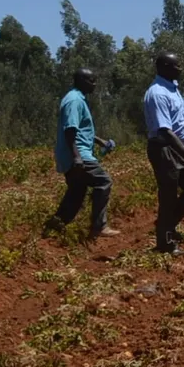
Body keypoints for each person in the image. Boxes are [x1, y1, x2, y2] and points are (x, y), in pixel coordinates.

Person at [142, 52, 184, 253]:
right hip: (164, 148)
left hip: (177, 147)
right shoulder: (157, 93)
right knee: (168, 196)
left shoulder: (172, 89)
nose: (180, 69)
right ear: (163, 67)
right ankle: (165, 244)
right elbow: (164, 130)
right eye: (176, 66)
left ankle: (166, 225)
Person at [45, 67, 117, 238]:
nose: (95, 84)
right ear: (82, 81)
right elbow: (70, 130)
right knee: (103, 182)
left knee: (76, 194)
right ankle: (99, 227)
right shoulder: (74, 101)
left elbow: (82, 130)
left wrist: (101, 142)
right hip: (79, 155)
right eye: (92, 81)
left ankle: (54, 229)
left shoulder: (77, 99)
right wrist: (77, 157)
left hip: (75, 154)